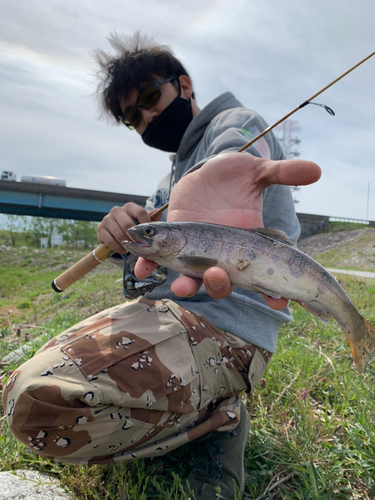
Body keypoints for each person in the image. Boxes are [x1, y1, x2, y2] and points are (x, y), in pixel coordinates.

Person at [2, 32, 320, 499]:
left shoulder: (234, 123)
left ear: (184, 85)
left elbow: (237, 153)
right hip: (162, 314)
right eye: (133, 117)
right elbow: (145, 276)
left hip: (226, 328)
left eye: (151, 98)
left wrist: (220, 186)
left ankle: (217, 418)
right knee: (16, 391)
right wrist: (125, 246)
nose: (147, 117)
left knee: (36, 401)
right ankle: (193, 407)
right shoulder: (164, 182)